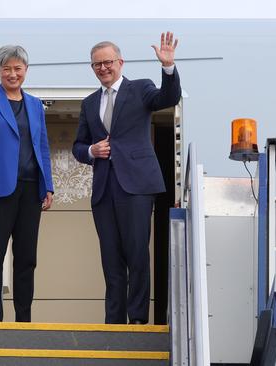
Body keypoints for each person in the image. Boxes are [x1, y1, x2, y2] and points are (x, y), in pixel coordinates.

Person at [72, 32, 181, 324]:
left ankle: (137, 319)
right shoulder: (89, 103)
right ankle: (114, 321)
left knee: (136, 253)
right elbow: (78, 147)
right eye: (97, 64)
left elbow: (168, 97)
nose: (103, 68)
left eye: (108, 62)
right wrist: (92, 151)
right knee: (111, 258)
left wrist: (168, 68)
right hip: (104, 189)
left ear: (120, 62)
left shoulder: (141, 88)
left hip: (136, 185)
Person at [0, 45, 54, 322]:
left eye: (18, 68)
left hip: (30, 189)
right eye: (7, 69)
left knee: (27, 257)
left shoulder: (35, 105)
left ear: (26, 70)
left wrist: (47, 186)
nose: (12, 74)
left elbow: (42, 146)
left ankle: (23, 320)